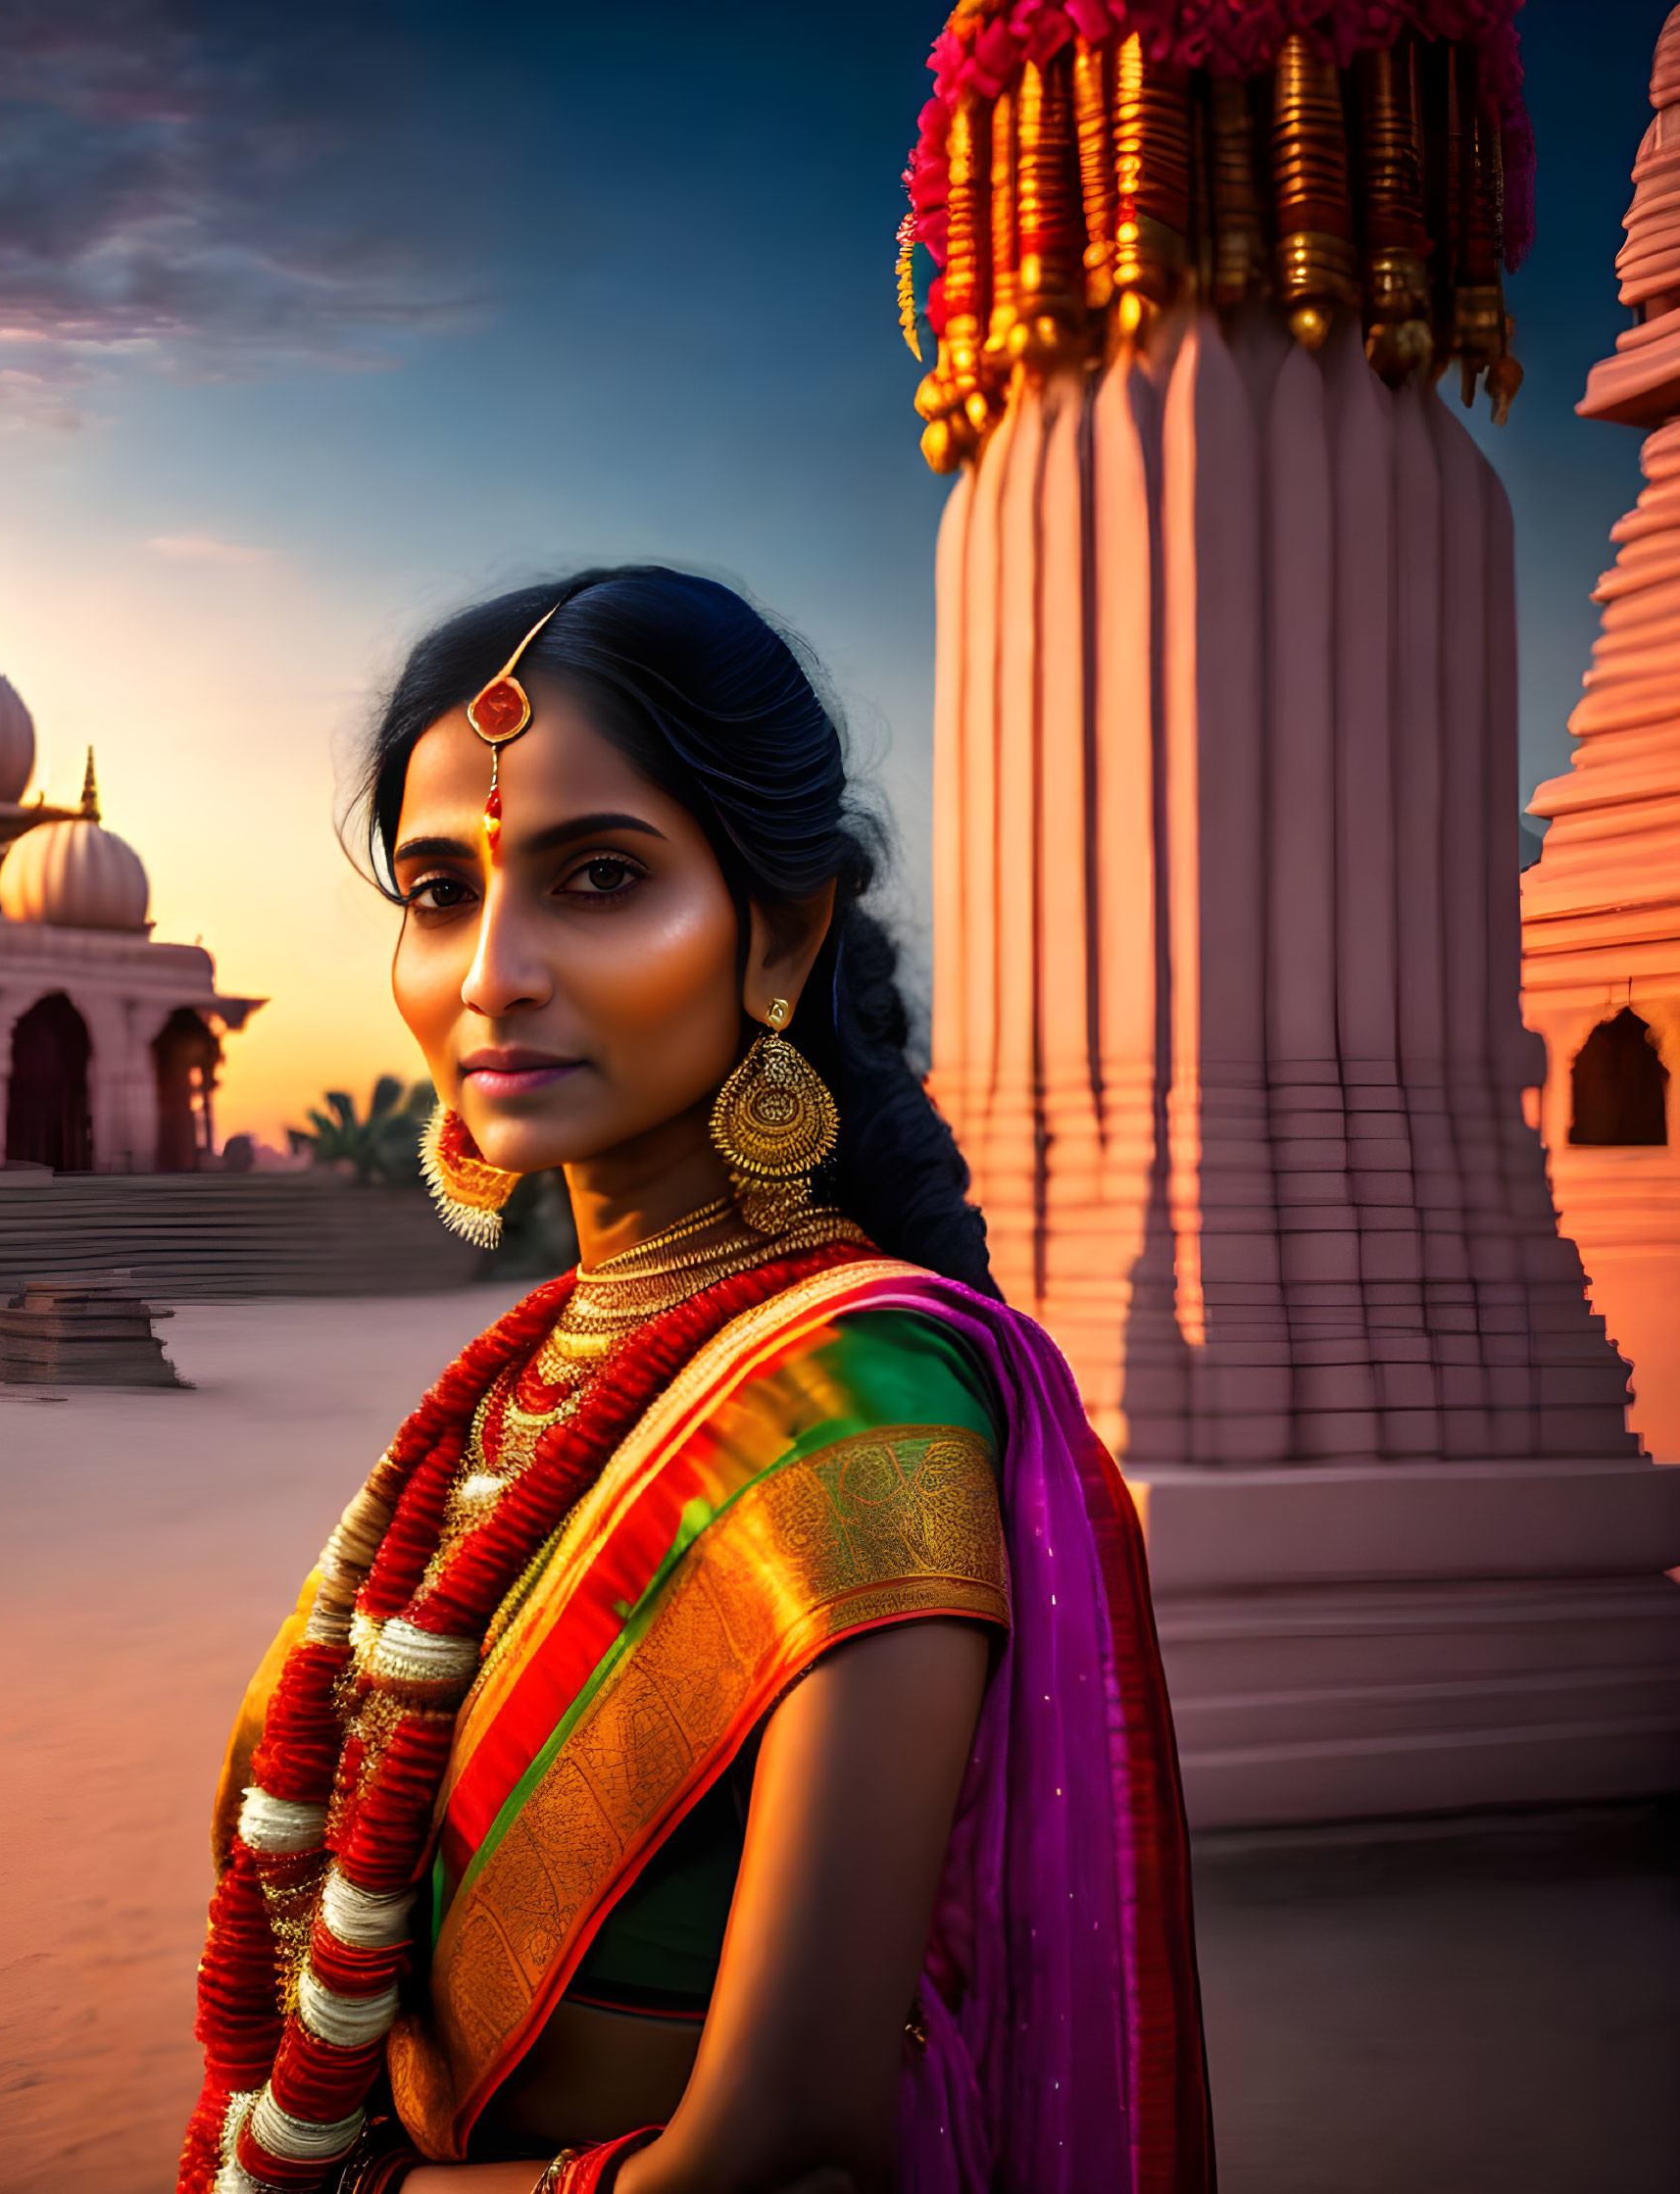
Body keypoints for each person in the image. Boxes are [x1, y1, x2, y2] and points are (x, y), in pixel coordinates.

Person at [178, 569, 1211, 2194]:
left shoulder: (862, 1401)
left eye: (597, 877)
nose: (487, 974)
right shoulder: (521, 1374)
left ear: (778, 929)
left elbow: (782, 2134)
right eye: (439, 890)